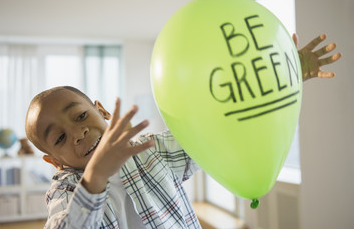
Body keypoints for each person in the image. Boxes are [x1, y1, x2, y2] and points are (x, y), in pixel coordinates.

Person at [25, 33, 341, 229]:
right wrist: (94, 179)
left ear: (103, 111)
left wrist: (282, 76)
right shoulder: (65, 190)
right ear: (54, 161)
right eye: (61, 138)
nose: (78, 133)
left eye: (80, 116)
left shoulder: (150, 150)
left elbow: (218, 127)